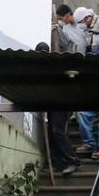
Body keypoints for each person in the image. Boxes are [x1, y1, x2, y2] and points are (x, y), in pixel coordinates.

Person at [33, 44, 81, 176]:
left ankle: (74, 160)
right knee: (52, 132)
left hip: (62, 103)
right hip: (52, 103)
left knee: (57, 131)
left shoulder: (54, 64)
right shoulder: (42, 67)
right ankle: (57, 162)